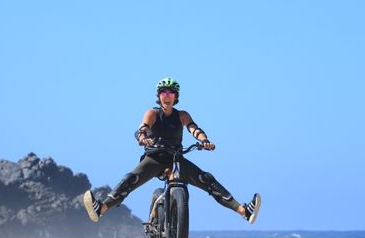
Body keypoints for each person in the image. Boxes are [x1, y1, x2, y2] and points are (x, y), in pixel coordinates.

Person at [83, 78, 261, 224]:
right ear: (159, 96)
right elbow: (142, 128)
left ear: (176, 96)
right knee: (131, 179)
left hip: (176, 158)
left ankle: (243, 211)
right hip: (154, 157)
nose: (167, 96)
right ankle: (101, 208)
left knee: (207, 179)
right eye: (163, 92)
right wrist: (142, 137)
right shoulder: (152, 113)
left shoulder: (182, 115)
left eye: (171, 93)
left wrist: (204, 141)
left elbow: (193, 129)